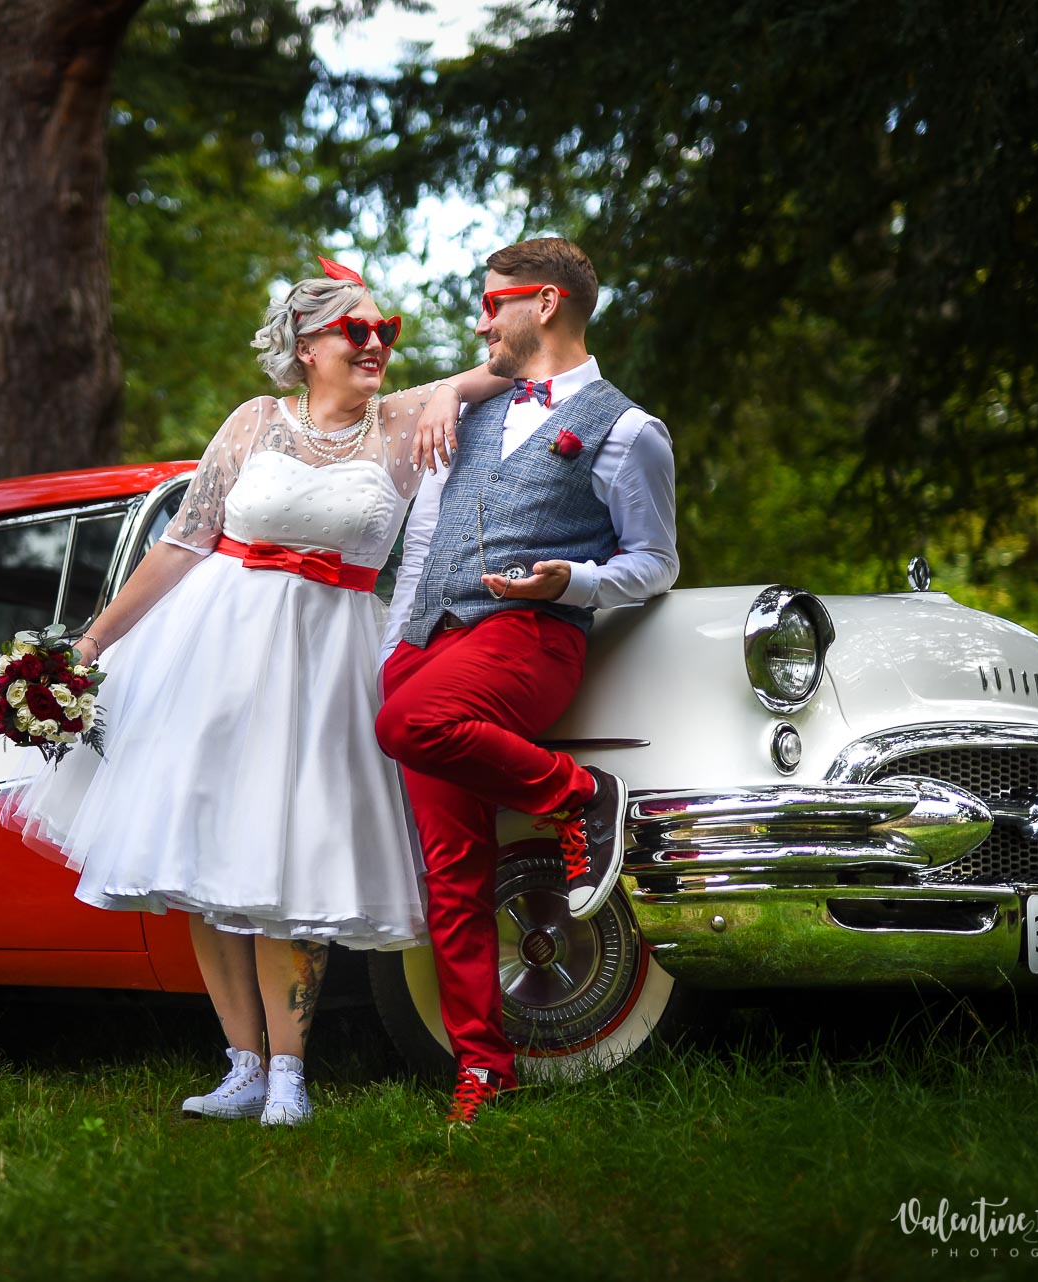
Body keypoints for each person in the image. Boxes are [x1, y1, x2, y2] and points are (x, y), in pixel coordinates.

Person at [0, 258, 510, 1126]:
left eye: (386, 330)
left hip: (328, 663)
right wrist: (89, 644)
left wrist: (453, 391)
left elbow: (511, 364)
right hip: (214, 652)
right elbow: (182, 543)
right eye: (357, 330)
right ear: (307, 347)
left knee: (294, 858)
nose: (377, 343)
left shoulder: (405, 420)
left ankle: (290, 1076)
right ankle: (241, 1065)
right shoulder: (254, 422)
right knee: (203, 857)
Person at [375, 236, 679, 1125]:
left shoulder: (630, 431)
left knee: (406, 726)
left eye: (490, 304)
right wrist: (397, 651)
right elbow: (423, 546)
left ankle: (582, 794)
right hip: (428, 644)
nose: (480, 323)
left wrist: (573, 581)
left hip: (532, 637)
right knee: (451, 869)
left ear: (544, 303)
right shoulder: (465, 411)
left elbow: (656, 563)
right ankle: (483, 1067)